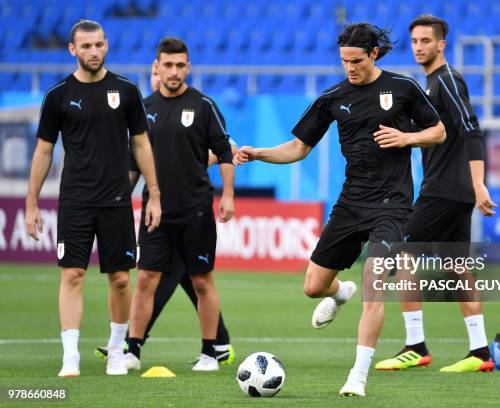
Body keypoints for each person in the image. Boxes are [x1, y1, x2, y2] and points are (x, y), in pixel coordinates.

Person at [234, 23, 445, 396]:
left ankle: (357, 377)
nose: (350, 67)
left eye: (357, 60)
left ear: (374, 55)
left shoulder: (403, 89)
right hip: (351, 203)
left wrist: (407, 138)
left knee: (375, 286)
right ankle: (338, 292)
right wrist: (259, 153)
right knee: (313, 287)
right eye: (344, 60)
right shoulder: (333, 97)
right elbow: (298, 147)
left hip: (391, 205)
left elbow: (439, 131)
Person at [24, 19, 161, 377]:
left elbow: (142, 144)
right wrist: (31, 202)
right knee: (72, 275)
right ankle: (71, 356)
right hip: (75, 200)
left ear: (107, 45)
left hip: (116, 200)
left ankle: (116, 350)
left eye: (99, 45)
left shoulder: (127, 91)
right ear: (73, 50)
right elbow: (42, 151)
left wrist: (155, 194)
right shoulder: (57, 96)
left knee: (119, 279)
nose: (94, 52)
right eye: (86, 46)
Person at [374, 14, 497, 373]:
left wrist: (478, 184)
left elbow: (472, 130)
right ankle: (480, 353)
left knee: (401, 254)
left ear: (441, 44)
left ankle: (415, 346)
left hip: (445, 190)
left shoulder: (447, 80)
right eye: (414, 42)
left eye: (425, 41)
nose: (418, 47)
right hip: (449, 190)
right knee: (458, 267)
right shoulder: (429, 84)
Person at [94, 60, 236, 366]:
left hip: (195, 211)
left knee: (197, 280)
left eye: (177, 66)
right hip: (156, 212)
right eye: (162, 69)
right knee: (148, 279)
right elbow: (134, 163)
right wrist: (116, 198)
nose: (169, 74)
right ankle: (133, 348)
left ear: (186, 68)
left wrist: (226, 192)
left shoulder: (202, 106)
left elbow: (227, 147)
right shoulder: (145, 109)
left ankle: (213, 348)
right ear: (156, 71)